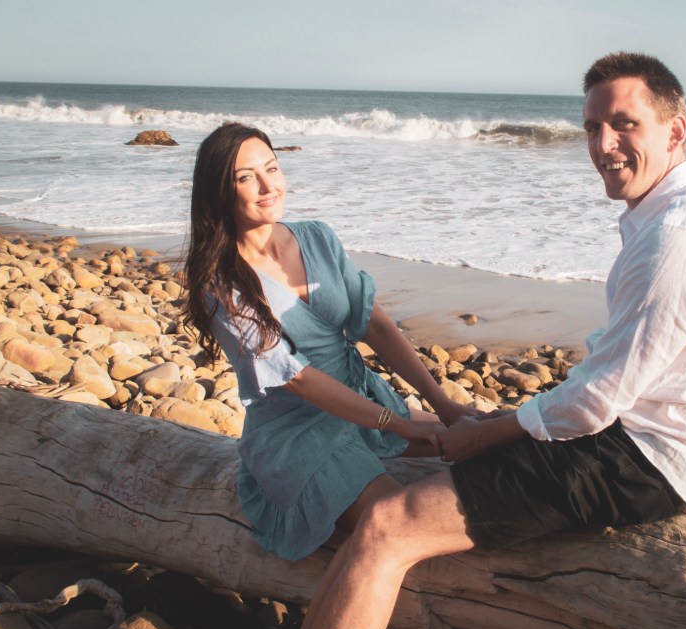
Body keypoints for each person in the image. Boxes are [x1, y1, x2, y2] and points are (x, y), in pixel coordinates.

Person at [299, 51, 686, 629]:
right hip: (631, 435)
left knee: (390, 524)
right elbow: (605, 391)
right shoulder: (681, 216)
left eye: (625, 124)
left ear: (676, 130)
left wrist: (490, 432)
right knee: (456, 446)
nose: (604, 144)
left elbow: (594, 402)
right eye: (594, 127)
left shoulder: (676, 240)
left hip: (641, 460)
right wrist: (502, 426)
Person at [181, 122, 472, 561]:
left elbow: (374, 324)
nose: (267, 186)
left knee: (484, 439)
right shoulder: (220, 284)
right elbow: (298, 380)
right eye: (246, 177)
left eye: (272, 168)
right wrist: (399, 425)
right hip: (298, 431)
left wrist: (442, 404)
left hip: (362, 400)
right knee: (402, 520)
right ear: (220, 192)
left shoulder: (317, 236)